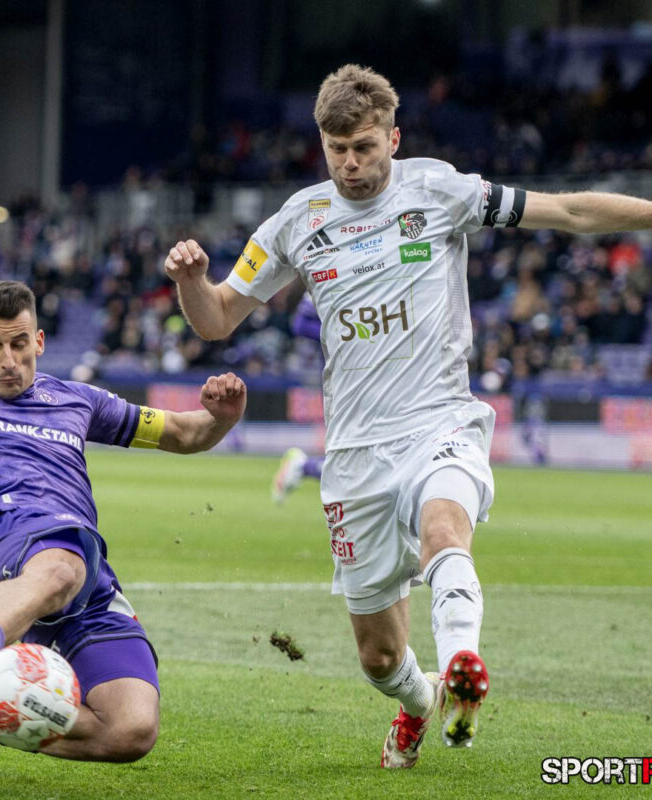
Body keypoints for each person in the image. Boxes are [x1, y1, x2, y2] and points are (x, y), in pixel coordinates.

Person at [165, 63, 652, 769]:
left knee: (445, 528)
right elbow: (215, 320)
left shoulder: (442, 191)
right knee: (378, 656)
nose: (351, 163)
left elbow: (569, 212)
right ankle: (423, 700)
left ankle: (461, 667)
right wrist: (190, 282)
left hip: (438, 422)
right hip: (355, 455)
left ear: (393, 138)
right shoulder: (295, 222)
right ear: (322, 145)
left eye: (364, 147)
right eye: (337, 150)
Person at [0, 280, 246, 761]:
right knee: (59, 567)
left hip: (87, 574)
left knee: (130, 732)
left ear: (38, 341)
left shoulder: (77, 400)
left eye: (19, 344)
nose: (8, 360)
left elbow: (183, 433)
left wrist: (222, 418)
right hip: (14, 543)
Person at [272, 294, 324, 503]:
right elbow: (300, 324)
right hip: (341, 380)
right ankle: (303, 467)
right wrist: (341, 333)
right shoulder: (325, 277)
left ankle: (303, 467)